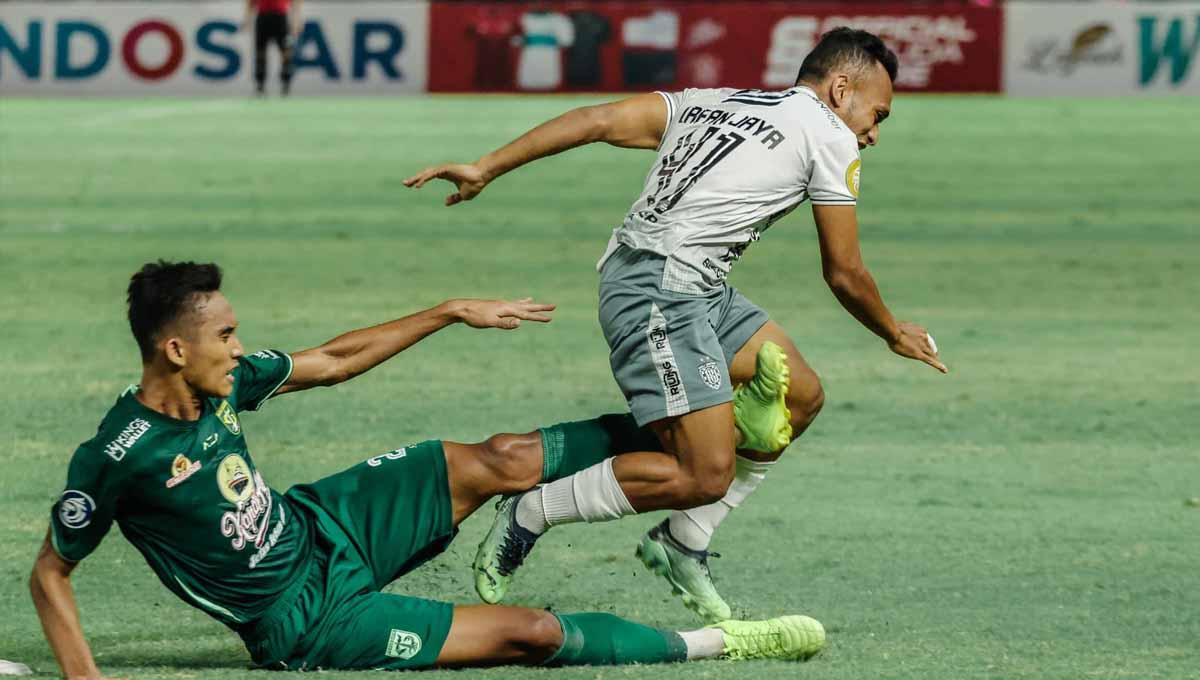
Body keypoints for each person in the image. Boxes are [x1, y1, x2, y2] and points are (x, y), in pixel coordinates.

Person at [29, 261, 825, 677]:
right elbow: (49, 575)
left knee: (500, 459)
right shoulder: (118, 455)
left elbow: (335, 360)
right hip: (304, 622)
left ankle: (689, 434)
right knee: (533, 632)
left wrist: (447, 311)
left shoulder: (226, 382)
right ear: (175, 349)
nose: (239, 348)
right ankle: (719, 644)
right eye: (226, 335)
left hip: (321, 526)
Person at [404, 27, 948, 624]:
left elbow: (595, 118)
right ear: (841, 89)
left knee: (801, 394)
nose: (872, 133)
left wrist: (487, 166)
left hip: (691, 283)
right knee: (704, 471)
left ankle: (683, 542)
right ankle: (533, 511)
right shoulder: (830, 138)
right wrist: (892, 331)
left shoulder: (716, 101)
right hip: (659, 291)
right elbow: (843, 272)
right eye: (877, 114)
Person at [243, 0, 302, 96]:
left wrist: (296, 20)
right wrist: (247, 18)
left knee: (286, 52)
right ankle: (260, 85)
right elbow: (250, 2)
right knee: (260, 52)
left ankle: (285, 84)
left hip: (281, 18)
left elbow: (296, 3)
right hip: (263, 18)